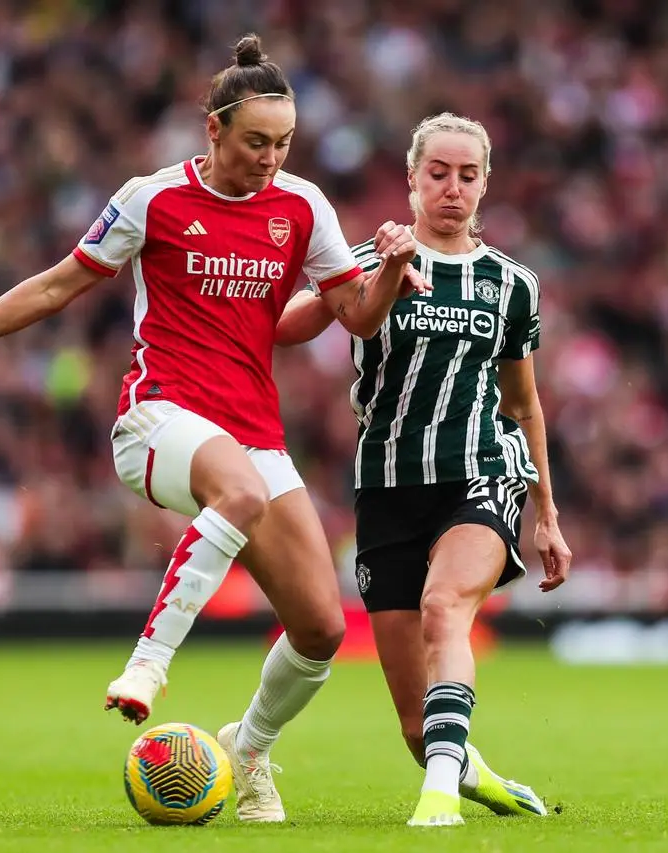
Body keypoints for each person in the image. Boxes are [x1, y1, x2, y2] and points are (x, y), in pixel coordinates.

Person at [0, 35, 428, 823]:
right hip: (158, 416)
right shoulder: (154, 199)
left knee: (317, 628)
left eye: (283, 144)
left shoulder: (304, 207)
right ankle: (147, 666)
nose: (269, 159)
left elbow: (350, 318)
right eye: (254, 143)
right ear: (213, 129)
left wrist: (386, 277)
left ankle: (248, 747)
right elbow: (56, 286)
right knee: (237, 492)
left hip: (254, 434)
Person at [275, 112, 573, 827]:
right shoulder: (366, 257)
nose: (452, 187)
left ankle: (437, 804)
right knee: (418, 728)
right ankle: (471, 776)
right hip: (386, 489)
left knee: (447, 610)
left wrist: (547, 513)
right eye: (437, 173)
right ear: (411, 181)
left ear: (485, 183)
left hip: (479, 471)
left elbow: (524, 403)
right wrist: (378, 271)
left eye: (467, 175)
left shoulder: (512, 285)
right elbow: (285, 327)